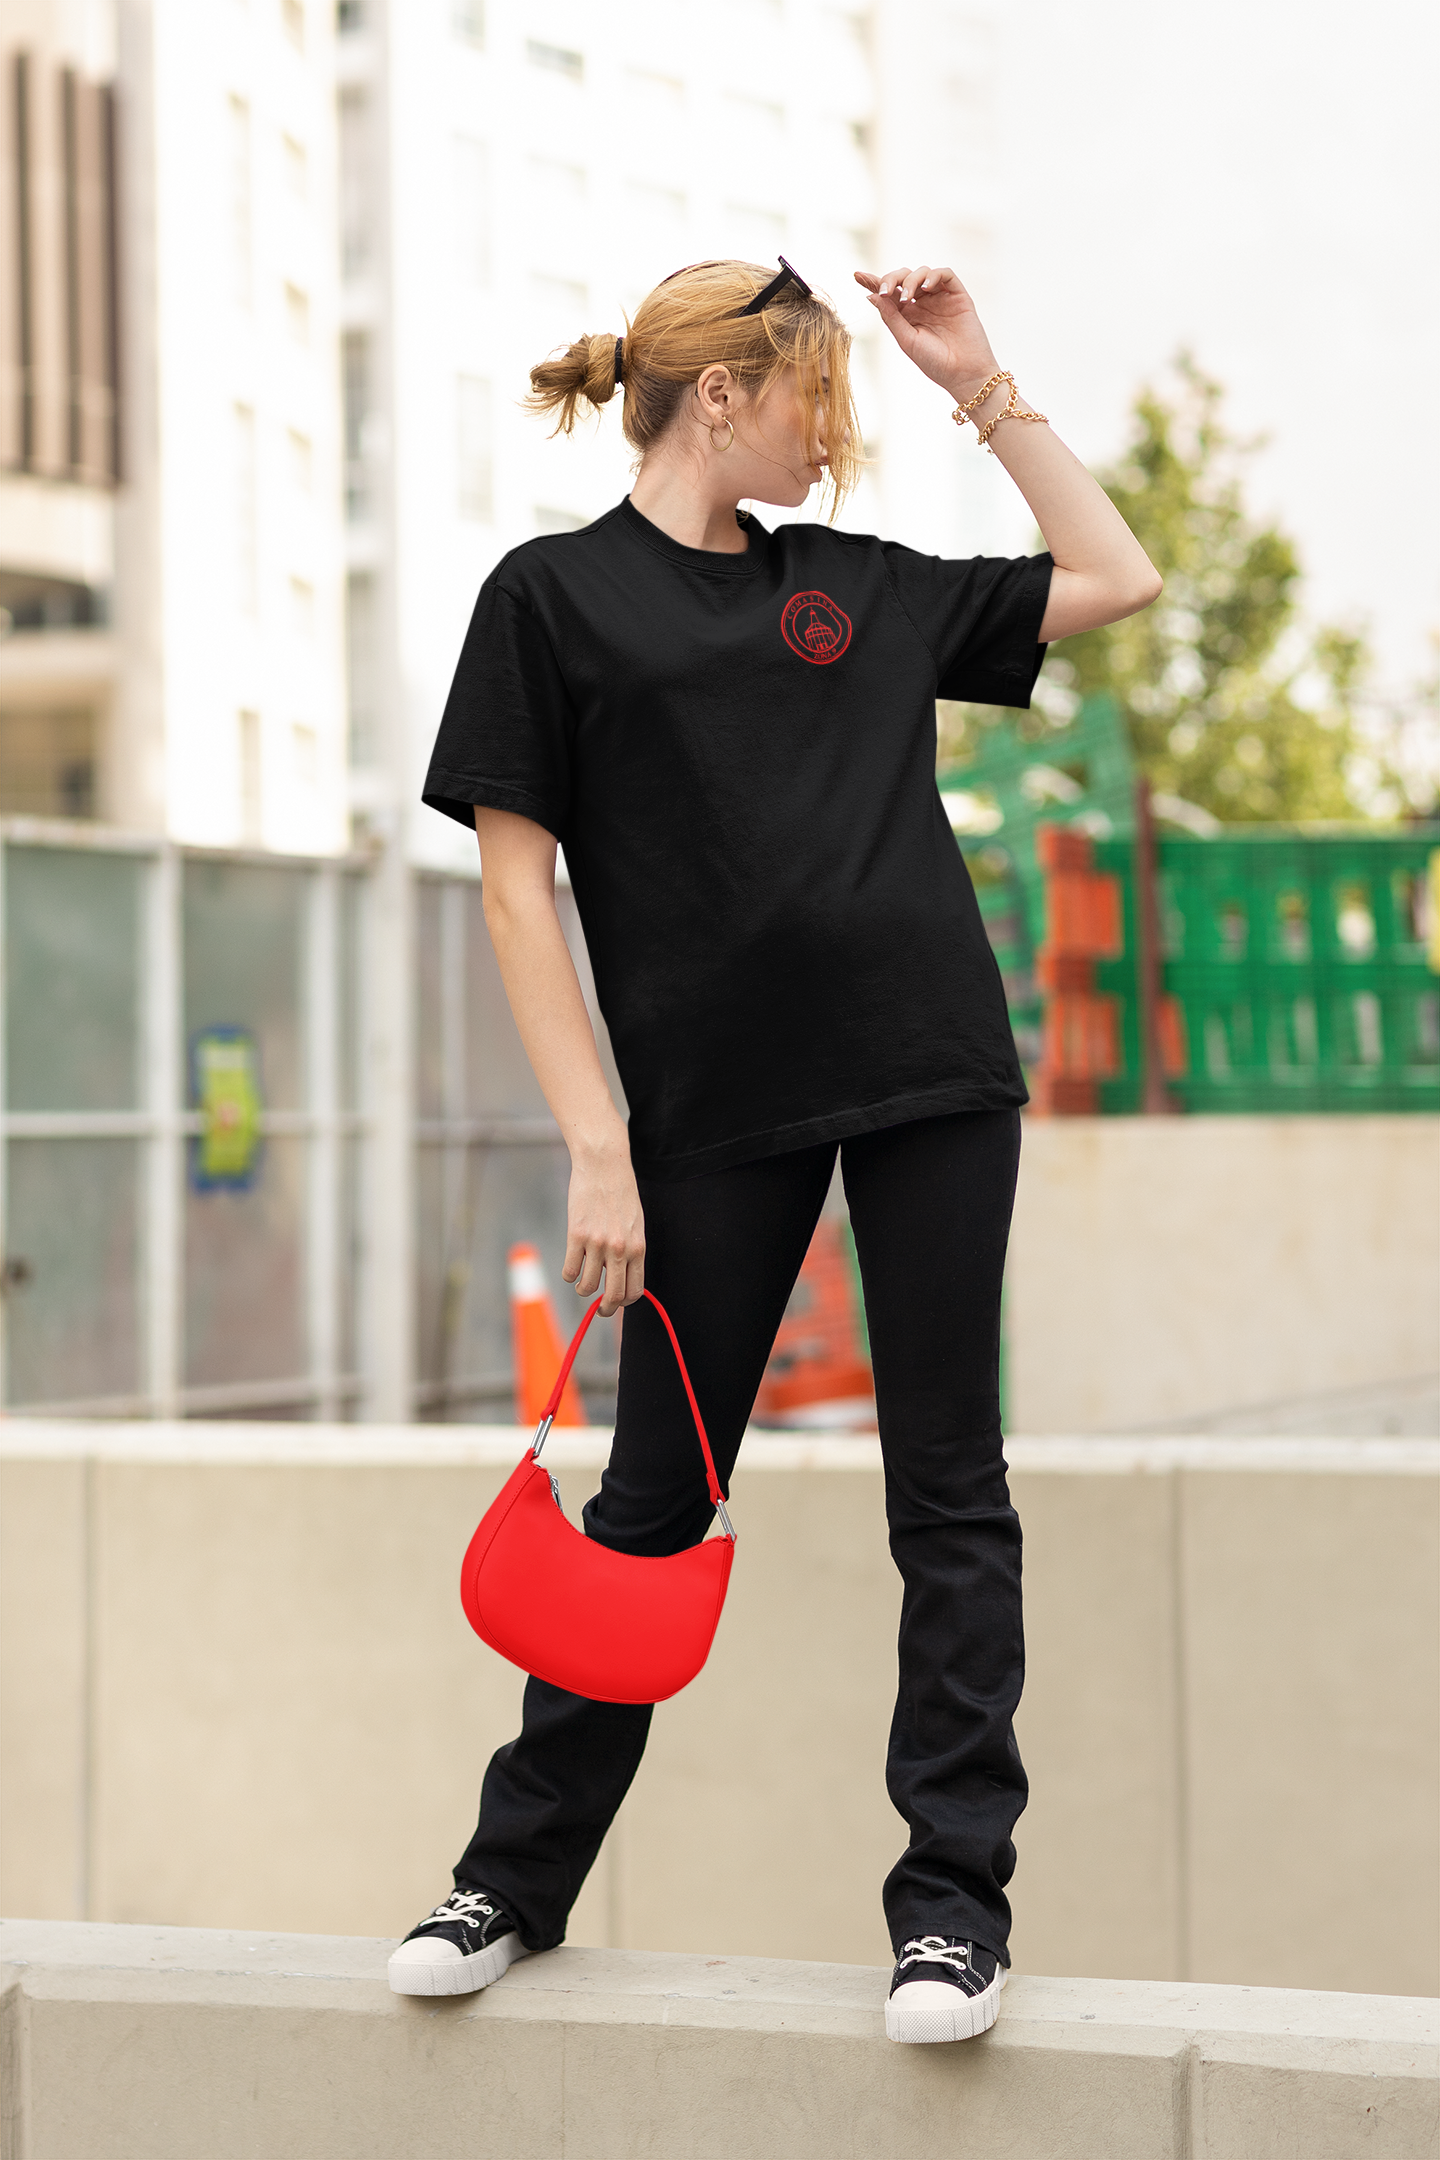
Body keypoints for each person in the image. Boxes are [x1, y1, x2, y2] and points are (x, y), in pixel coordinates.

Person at [392, 256, 1161, 2043]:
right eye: (819, 392)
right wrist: (598, 1145)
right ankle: (514, 1882)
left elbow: (1115, 575)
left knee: (948, 1493)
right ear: (723, 393)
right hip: (702, 1124)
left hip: (930, 1078)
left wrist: (980, 380)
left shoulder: (862, 589)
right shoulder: (550, 600)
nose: (838, 432)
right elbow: (516, 892)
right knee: (651, 1507)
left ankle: (952, 1911)